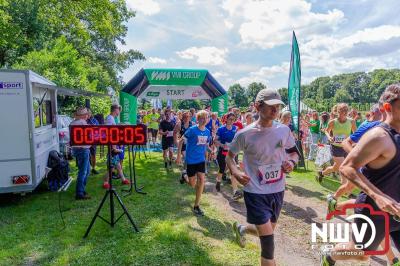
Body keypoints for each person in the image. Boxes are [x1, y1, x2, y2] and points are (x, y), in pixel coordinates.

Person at [321, 84, 400, 266]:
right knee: (361, 253)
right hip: (375, 209)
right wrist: (379, 196)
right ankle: (330, 255)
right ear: (388, 108)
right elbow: (347, 167)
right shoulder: (378, 136)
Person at [228, 89, 299, 266]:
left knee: (267, 230)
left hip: (277, 190)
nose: (275, 110)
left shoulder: (283, 130)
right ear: (257, 106)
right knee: (268, 243)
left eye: (278, 106)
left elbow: (293, 153)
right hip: (255, 191)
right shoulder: (244, 134)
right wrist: (236, 172)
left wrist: (291, 163)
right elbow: (229, 157)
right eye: (270, 106)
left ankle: (242, 228)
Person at [176, 110, 212, 216]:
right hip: (191, 160)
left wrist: (211, 151)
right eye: (201, 118)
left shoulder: (207, 132)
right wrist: (178, 156)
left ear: (208, 120)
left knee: (201, 180)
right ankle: (184, 175)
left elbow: (206, 145)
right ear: (198, 119)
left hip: (201, 160)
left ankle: (196, 206)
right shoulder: (192, 130)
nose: (204, 120)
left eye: (206, 118)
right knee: (192, 184)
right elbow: (181, 141)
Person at [316, 103, 356, 189]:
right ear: (337, 111)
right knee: (343, 166)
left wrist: (354, 142)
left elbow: (355, 133)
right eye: (341, 111)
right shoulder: (333, 122)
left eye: (346, 110)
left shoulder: (351, 121)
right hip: (335, 147)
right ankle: (344, 188)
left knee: (335, 167)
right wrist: (329, 137)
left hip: (346, 147)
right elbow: (326, 131)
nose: (344, 112)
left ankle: (321, 173)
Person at [103, 104, 130, 189]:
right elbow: (109, 133)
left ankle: (123, 179)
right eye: (119, 110)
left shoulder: (111, 118)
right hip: (112, 145)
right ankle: (106, 182)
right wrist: (114, 148)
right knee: (111, 166)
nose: (119, 111)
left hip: (113, 144)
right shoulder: (109, 118)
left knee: (117, 164)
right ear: (115, 110)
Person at [214, 113, 239, 196]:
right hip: (223, 152)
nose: (231, 121)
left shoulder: (235, 128)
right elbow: (215, 140)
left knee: (233, 170)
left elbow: (237, 140)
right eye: (230, 119)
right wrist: (222, 145)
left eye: (233, 119)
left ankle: (235, 191)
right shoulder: (221, 129)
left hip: (232, 152)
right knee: (222, 169)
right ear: (226, 119)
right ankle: (218, 181)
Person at [70, 107, 91, 200]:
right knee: (83, 171)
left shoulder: (72, 123)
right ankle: (79, 193)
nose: (87, 115)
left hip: (76, 150)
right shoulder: (82, 123)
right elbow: (90, 134)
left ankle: (81, 189)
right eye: (86, 114)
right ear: (83, 116)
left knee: (86, 170)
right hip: (83, 149)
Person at [87, 109, 99, 175]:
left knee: (93, 154)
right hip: (86, 140)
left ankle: (93, 168)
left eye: (89, 113)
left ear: (91, 113)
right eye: (87, 113)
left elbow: (97, 128)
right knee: (87, 155)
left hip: (93, 140)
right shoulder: (84, 121)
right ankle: (88, 168)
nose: (88, 115)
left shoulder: (94, 120)